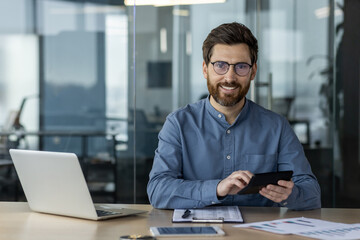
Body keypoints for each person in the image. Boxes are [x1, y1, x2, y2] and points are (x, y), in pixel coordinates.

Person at [147, 22, 321, 210]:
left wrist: (291, 194)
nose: (230, 77)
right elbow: (158, 190)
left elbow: (311, 194)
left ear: (253, 71)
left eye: (241, 67)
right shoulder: (178, 124)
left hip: (258, 234)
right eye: (220, 65)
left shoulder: (276, 127)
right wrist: (217, 188)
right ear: (205, 69)